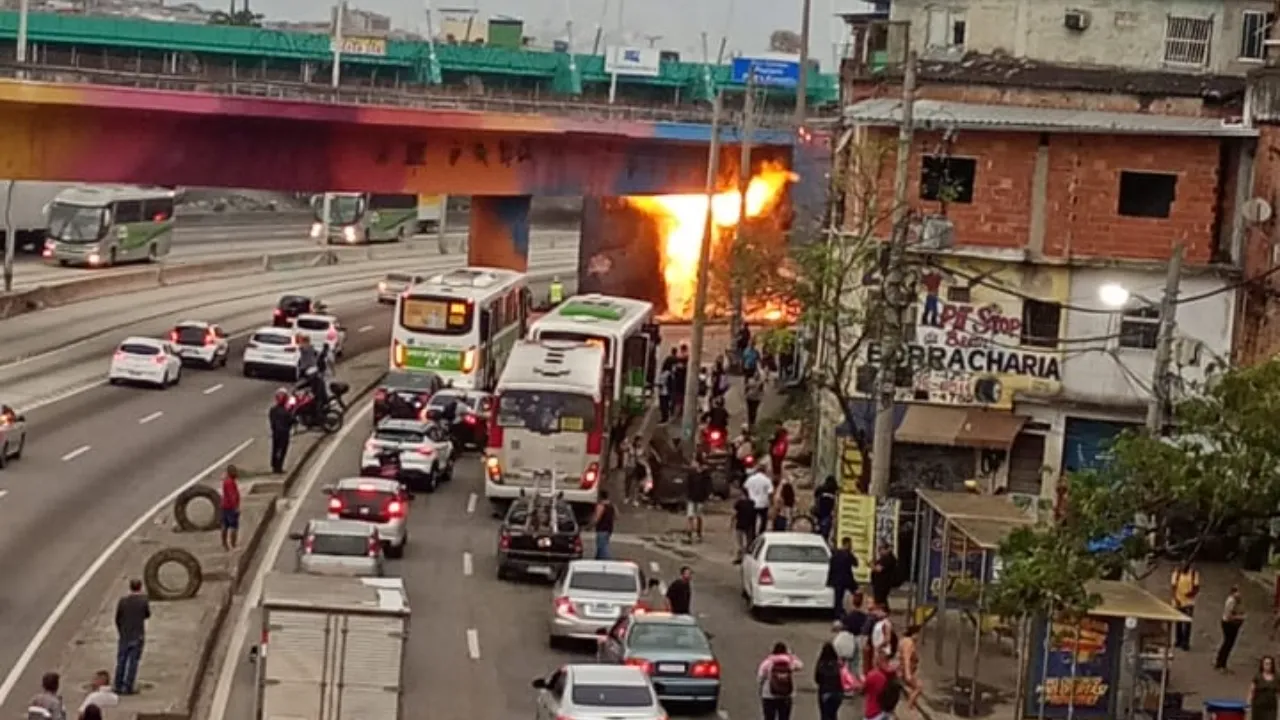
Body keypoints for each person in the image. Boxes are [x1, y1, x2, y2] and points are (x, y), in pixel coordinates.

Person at [113, 579, 149, 695]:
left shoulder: (123, 601)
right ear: (140, 587)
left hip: (124, 635)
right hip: (137, 635)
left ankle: (118, 685)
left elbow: (117, 618)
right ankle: (128, 686)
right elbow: (147, 614)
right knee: (133, 662)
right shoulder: (143, 601)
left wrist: (121, 630)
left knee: (121, 661)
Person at [757, 641, 802, 720]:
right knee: (784, 717)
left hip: (769, 695)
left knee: (769, 717)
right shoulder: (789, 661)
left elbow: (760, 676)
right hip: (786, 694)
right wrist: (791, 655)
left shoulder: (768, 662)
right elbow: (800, 665)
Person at [863, 654, 903, 720]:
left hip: (873, 712)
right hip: (887, 711)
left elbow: (863, 689)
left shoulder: (873, 675)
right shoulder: (892, 674)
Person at [1171, 560, 1200, 651]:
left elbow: (1196, 587)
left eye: (1185, 566)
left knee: (1187, 623)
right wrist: (1176, 599)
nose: (1183, 567)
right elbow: (1173, 587)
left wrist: (1192, 593)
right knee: (1178, 622)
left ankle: (1185, 642)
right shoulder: (1177, 573)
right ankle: (1178, 640)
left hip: (1189, 602)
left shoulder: (1194, 574)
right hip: (1178, 601)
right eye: (1182, 565)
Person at [827, 537, 859, 619]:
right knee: (851, 595)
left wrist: (830, 580)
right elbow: (856, 564)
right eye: (850, 544)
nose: (851, 546)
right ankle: (843, 613)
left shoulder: (836, 553)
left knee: (838, 598)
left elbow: (831, 567)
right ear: (847, 544)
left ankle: (838, 614)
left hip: (837, 580)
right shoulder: (847, 554)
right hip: (845, 580)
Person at [1217, 585, 1245, 671]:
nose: (1239, 594)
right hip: (1229, 624)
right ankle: (1221, 663)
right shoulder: (1231, 601)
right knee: (1228, 643)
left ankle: (1222, 662)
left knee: (1229, 643)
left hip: (1231, 624)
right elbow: (1228, 616)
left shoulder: (1236, 601)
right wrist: (1240, 618)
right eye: (1237, 592)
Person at [813, 642, 844, 720]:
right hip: (837, 693)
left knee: (825, 715)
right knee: (833, 714)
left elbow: (817, 679)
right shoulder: (838, 664)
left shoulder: (821, 664)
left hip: (825, 692)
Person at [743, 462, 774, 537]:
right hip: (763, 504)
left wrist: (748, 496)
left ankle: (752, 537)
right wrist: (771, 503)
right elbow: (770, 492)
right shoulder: (767, 480)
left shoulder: (750, 479)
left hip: (751, 503)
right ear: (764, 471)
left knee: (752, 522)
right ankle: (761, 535)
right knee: (763, 521)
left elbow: (744, 487)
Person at [686, 456, 711, 543]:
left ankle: (698, 534)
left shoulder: (705, 475)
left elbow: (707, 486)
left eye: (694, 462)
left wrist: (706, 496)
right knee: (690, 516)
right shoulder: (691, 474)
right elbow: (688, 485)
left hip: (700, 498)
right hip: (692, 498)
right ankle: (689, 534)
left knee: (698, 516)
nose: (692, 464)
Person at [267, 389, 293, 474]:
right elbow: (291, 421)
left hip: (276, 433)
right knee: (282, 450)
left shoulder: (273, 410)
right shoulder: (286, 411)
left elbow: (272, 421)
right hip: (284, 433)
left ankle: (274, 466)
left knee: (275, 449)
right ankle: (279, 467)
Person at [870, 544, 900, 611]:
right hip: (879, 583)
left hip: (883, 583)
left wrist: (872, 566)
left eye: (881, 550)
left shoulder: (888, 559)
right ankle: (884, 612)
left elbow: (879, 569)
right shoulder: (884, 558)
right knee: (881, 600)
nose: (879, 552)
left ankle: (883, 613)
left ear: (886, 550)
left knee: (880, 600)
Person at [900, 624, 923, 709]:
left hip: (906, 669)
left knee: (915, 687)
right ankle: (909, 707)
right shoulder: (908, 643)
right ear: (914, 634)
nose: (918, 637)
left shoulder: (904, 640)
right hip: (906, 669)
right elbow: (906, 658)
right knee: (919, 687)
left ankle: (910, 705)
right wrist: (908, 673)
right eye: (918, 635)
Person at [732, 486, 756, 564]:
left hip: (740, 524)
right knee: (749, 541)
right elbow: (754, 514)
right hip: (749, 524)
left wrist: (732, 522)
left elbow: (734, 514)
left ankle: (740, 557)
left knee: (739, 543)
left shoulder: (738, 503)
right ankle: (747, 556)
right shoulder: (752, 502)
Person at [220, 465, 241, 551]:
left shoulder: (226, 481)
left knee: (225, 525)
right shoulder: (230, 483)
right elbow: (232, 495)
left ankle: (225, 544)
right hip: (230, 507)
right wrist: (236, 507)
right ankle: (233, 544)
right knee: (234, 526)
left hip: (224, 506)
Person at [1252, 656, 1278, 720]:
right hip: (1258, 706)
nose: (1268, 666)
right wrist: (1248, 704)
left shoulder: (1277, 677)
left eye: (1270, 663)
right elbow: (1252, 690)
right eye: (1266, 663)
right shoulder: (1257, 676)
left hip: (1271, 707)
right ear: (1262, 665)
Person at [592, 490, 616, 560]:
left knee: (603, 548)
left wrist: (589, 526)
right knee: (601, 547)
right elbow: (617, 516)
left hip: (601, 529)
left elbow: (597, 518)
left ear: (600, 497)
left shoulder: (601, 506)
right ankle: (597, 560)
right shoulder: (612, 505)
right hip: (609, 529)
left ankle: (609, 562)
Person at [814, 475, 838, 541]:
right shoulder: (834, 490)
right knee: (826, 531)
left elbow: (816, 496)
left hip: (820, 512)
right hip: (828, 513)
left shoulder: (821, 489)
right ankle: (824, 539)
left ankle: (819, 536)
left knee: (819, 527)